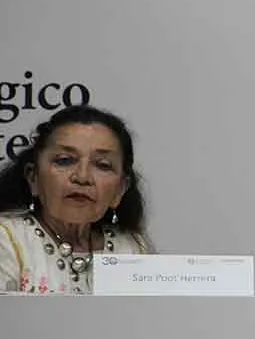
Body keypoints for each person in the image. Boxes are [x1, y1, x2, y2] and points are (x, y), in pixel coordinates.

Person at [0, 105, 151, 294]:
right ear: (33, 178)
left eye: (103, 165)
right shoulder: (6, 240)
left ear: (120, 190)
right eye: (64, 160)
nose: (82, 177)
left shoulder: (132, 247)